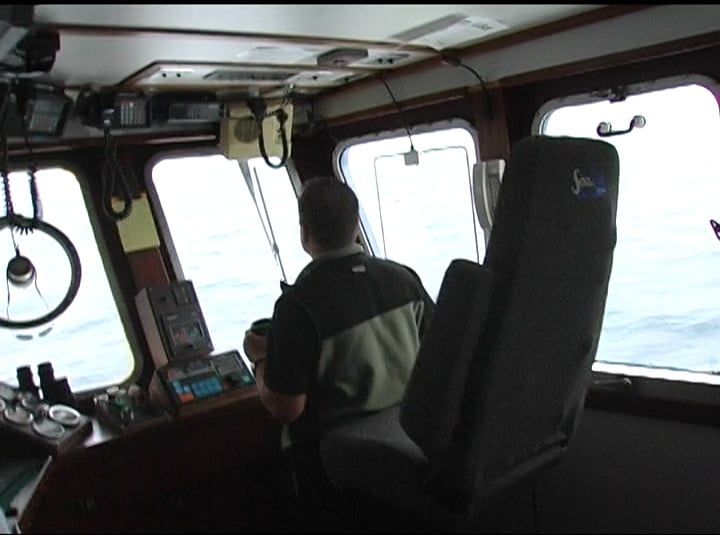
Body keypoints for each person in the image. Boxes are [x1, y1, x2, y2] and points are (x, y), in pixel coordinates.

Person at [243, 177, 435, 513]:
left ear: (305, 234)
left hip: (335, 467)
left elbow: (287, 409)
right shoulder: (404, 279)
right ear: (356, 227)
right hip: (408, 441)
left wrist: (260, 360)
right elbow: (440, 358)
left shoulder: (297, 306)